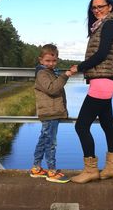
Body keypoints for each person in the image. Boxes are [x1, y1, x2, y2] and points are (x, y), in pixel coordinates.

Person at [70, 0, 113, 184]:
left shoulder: (110, 24)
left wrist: (79, 67)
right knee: (107, 125)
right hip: (104, 81)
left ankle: (90, 170)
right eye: (94, 7)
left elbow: (102, 54)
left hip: (103, 81)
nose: (96, 10)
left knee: (81, 125)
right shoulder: (103, 25)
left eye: (100, 6)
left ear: (110, 6)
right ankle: (112, 168)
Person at [30, 43, 72, 183]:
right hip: (50, 113)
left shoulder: (50, 72)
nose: (51, 63)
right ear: (40, 60)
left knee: (44, 139)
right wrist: (65, 75)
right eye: (48, 61)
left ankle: (36, 168)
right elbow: (52, 89)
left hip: (50, 112)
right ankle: (52, 171)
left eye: (54, 60)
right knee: (51, 143)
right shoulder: (42, 73)